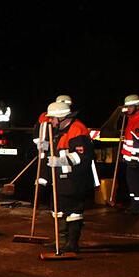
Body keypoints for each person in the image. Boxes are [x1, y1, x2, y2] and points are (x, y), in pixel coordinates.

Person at [43, 101, 95, 252]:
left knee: (73, 210)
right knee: (60, 207)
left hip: (75, 178)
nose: (51, 121)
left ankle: (72, 243)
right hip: (62, 177)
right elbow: (59, 147)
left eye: (52, 118)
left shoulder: (77, 130)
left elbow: (82, 156)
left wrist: (60, 161)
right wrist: (47, 147)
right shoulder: (60, 129)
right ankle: (62, 241)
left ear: (61, 117)